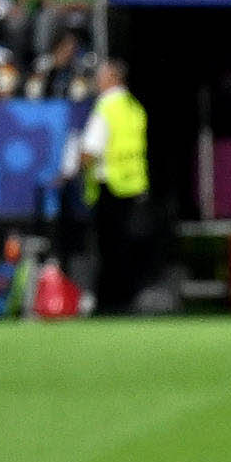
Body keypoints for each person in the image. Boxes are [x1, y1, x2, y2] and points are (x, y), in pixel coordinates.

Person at [73, 57, 153, 311]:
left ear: (111, 79)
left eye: (101, 76)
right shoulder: (134, 107)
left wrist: (75, 165)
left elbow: (91, 150)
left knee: (108, 249)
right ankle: (129, 299)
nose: (98, 81)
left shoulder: (106, 106)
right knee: (128, 247)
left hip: (110, 185)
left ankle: (109, 302)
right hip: (133, 185)